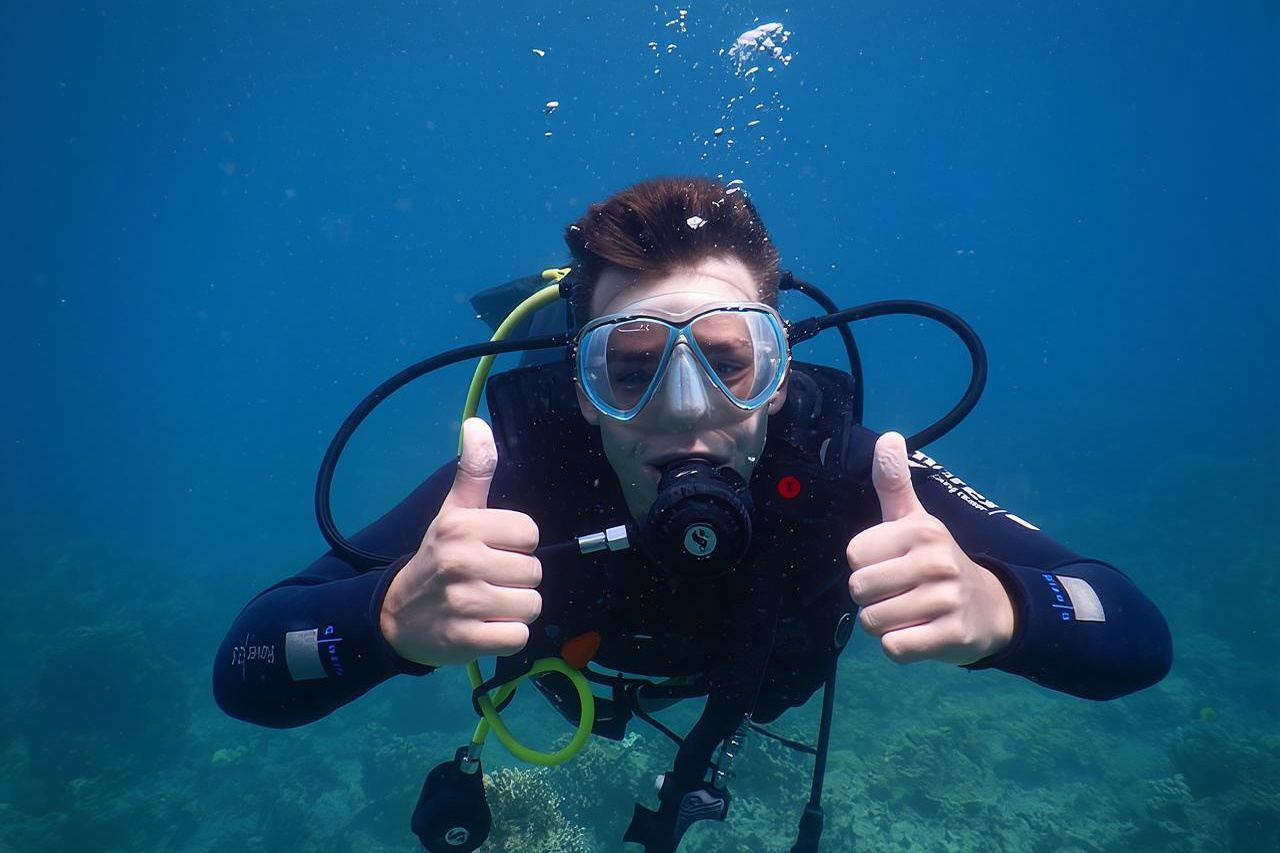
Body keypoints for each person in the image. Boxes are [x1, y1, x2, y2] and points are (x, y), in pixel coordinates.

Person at [214, 177, 1172, 852]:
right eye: (628, 369)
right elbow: (248, 663)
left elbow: (1132, 630)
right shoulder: (521, 467)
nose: (684, 407)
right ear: (579, 387)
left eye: (728, 358)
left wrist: (1006, 608)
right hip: (576, 697)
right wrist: (381, 621)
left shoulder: (847, 463)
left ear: (781, 369)